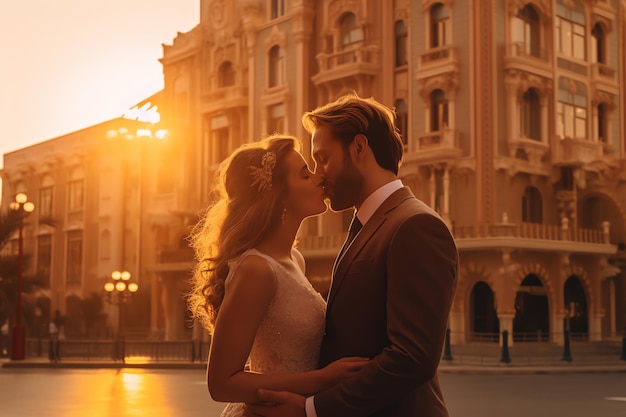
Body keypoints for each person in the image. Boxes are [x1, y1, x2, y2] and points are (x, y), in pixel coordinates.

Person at [248, 93, 459, 417]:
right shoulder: (369, 223)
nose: (319, 174)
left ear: (359, 148)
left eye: (324, 158)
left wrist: (311, 408)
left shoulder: (415, 225)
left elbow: (411, 358)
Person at [187, 134, 369, 417]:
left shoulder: (295, 259)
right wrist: (323, 379)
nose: (318, 177)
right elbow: (221, 384)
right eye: (304, 175)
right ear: (280, 195)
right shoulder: (256, 269)